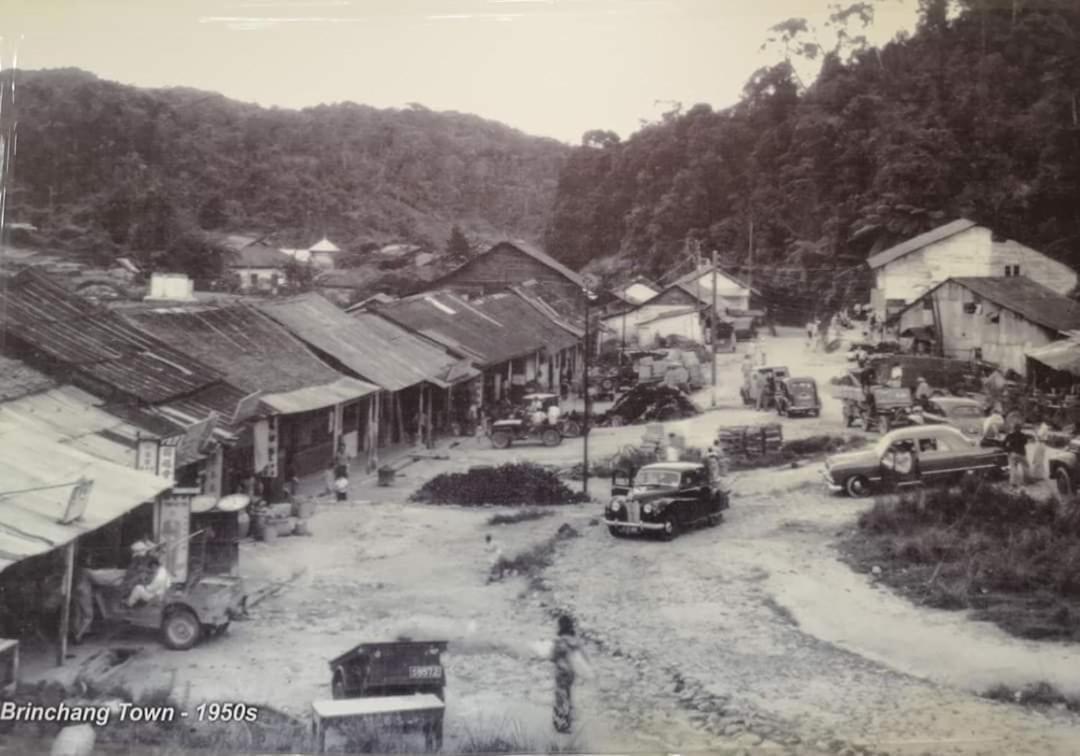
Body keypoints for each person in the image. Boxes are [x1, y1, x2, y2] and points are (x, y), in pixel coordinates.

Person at [550, 615, 591, 734]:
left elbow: (553, 656)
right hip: (571, 673)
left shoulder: (560, 641)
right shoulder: (575, 641)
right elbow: (584, 657)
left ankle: (560, 725)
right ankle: (568, 722)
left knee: (560, 697)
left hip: (561, 672)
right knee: (568, 696)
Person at [1002, 422, 1030, 488]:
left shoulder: (1010, 435)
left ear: (1013, 429)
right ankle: (1026, 481)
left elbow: (1003, 444)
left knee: (1013, 468)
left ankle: (1013, 483)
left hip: (1013, 453)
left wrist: (1007, 448)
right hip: (1022, 453)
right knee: (1026, 466)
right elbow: (1025, 442)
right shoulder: (1023, 435)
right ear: (1020, 429)